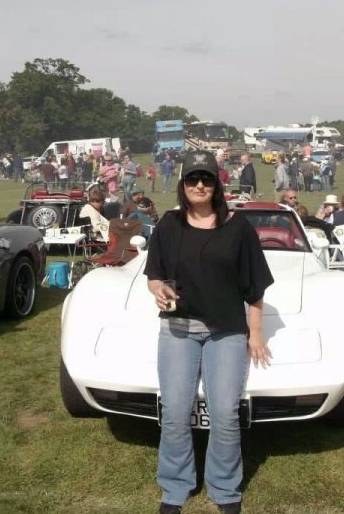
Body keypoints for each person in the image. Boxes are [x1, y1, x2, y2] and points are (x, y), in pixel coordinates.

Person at [144, 150, 273, 513]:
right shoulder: (168, 226)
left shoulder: (238, 228)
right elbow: (154, 275)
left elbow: (256, 288)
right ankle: (175, 486)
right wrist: (158, 290)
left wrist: (256, 333)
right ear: (182, 185)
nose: (199, 185)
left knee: (225, 413)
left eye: (207, 179)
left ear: (217, 184)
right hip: (179, 329)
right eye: (192, 179)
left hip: (227, 331)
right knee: (173, 411)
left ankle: (225, 488)